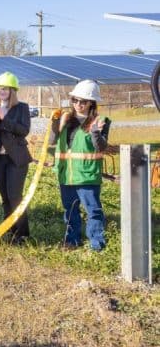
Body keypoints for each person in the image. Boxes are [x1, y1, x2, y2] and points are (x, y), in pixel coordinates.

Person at [50, 79, 110, 251]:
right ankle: (71, 241)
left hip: (87, 176)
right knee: (70, 210)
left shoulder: (100, 121)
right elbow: (54, 141)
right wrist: (55, 124)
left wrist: (95, 133)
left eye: (82, 101)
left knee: (93, 211)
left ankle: (97, 245)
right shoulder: (65, 118)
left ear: (92, 102)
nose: (78, 104)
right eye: (74, 100)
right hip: (66, 175)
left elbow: (101, 147)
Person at [0, 72, 32, 243]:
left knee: (15, 196)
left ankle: (22, 234)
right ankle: (8, 231)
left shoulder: (22, 108)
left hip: (16, 159)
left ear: (12, 91)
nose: (1, 91)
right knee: (5, 198)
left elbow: (24, 130)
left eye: (5, 88)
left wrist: (5, 120)